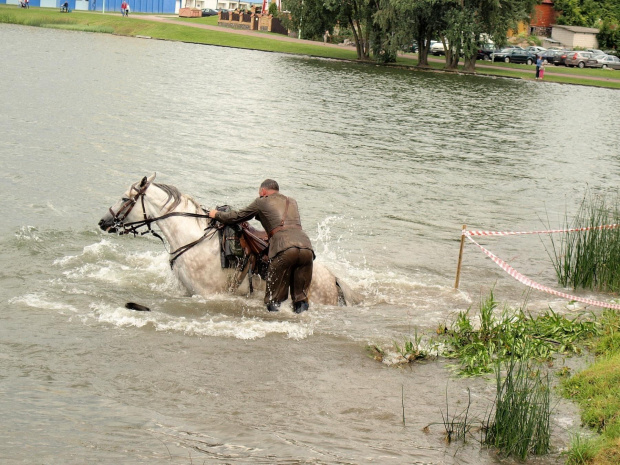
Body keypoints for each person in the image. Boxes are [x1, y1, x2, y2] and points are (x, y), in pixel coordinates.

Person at [208, 179, 314, 314]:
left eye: (259, 193)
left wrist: (216, 214)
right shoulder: (292, 201)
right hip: (306, 248)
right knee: (301, 299)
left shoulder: (261, 201)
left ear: (263, 191)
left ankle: (274, 330)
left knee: (273, 299)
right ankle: (302, 324)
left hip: (283, 248)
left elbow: (237, 216)